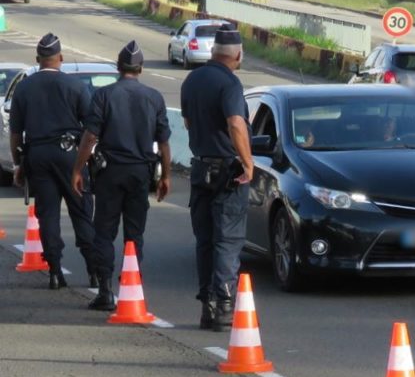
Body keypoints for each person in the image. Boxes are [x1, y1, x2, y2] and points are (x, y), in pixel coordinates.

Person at [71, 41, 171, 311]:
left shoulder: (104, 96)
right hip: (141, 173)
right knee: (134, 234)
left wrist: (78, 169)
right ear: (141, 68)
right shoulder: (154, 97)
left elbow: (90, 137)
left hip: (110, 173)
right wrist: (165, 176)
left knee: (104, 231)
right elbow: (163, 143)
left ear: (118, 67)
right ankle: (131, 287)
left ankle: (105, 291)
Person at [8, 33, 97, 290]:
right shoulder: (75, 86)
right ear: (61, 58)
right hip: (70, 154)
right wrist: (86, 161)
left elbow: (16, 133)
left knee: (48, 215)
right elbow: (91, 128)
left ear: (38, 59)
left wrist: (18, 164)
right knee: (81, 212)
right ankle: (95, 272)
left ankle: (55, 272)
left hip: (38, 156)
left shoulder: (25, 87)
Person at [180, 23, 253, 331]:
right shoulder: (230, 83)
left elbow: (187, 122)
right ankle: (224, 306)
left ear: (214, 51)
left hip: (200, 169)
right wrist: (247, 163)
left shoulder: (192, 80)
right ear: (237, 55)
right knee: (228, 240)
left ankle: (207, 307)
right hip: (227, 172)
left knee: (206, 241)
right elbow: (236, 123)